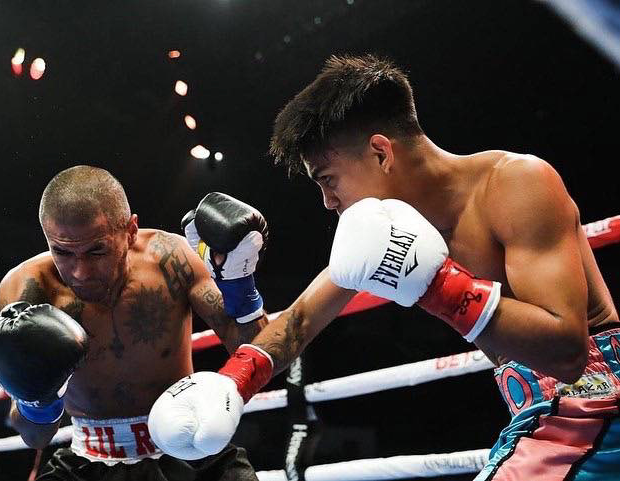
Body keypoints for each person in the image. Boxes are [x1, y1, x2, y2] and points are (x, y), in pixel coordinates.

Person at [148, 55, 620, 479]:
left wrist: (440, 287)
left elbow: (567, 355)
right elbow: (298, 323)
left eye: (328, 179)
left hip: (600, 410)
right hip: (541, 423)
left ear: (380, 152)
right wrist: (231, 383)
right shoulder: (386, 233)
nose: (328, 202)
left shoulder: (517, 184)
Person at [0, 165, 272, 480]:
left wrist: (239, 287)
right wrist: (40, 400)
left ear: (130, 230)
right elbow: (36, 437)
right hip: (88, 463)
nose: (80, 272)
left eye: (97, 250)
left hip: (190, 449)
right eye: (63, 252)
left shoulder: (171, 259)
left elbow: (258, 353)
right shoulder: (28, 289)